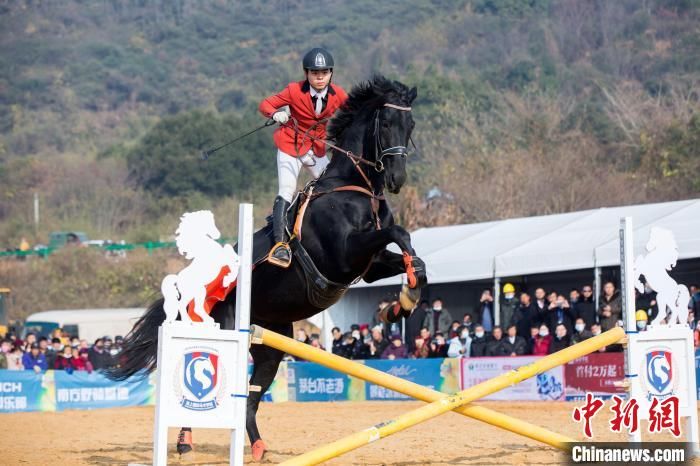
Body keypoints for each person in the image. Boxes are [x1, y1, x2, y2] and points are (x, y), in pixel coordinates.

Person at [259, 47, 349, 268]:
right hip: (290, 145)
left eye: (324, 72)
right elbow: (266, 104)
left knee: (334, 186)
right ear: (306, 73)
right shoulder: (293, 91)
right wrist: (276, 113)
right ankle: (280, 246)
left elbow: (352, 114)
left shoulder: (339, 95)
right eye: (314, 73)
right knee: (286, 189)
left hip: (315, 148)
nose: (319, 77)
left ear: (331, 73)